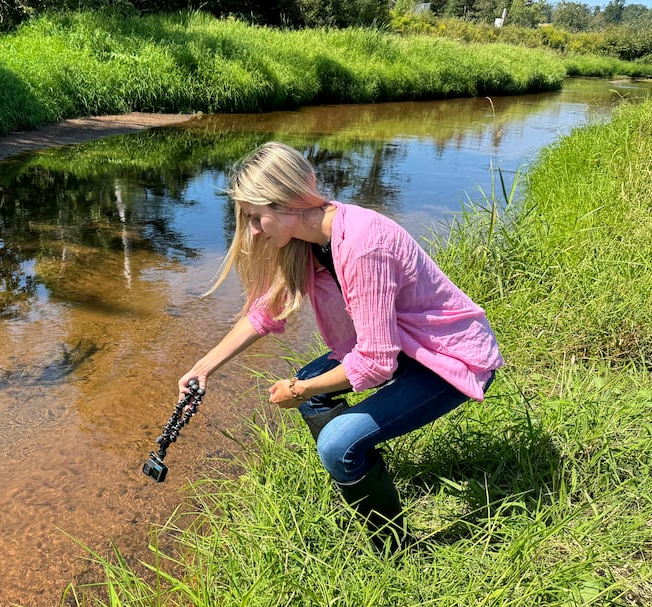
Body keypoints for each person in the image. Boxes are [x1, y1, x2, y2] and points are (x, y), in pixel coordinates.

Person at [178, 142, 503, 552]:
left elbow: (376, 363)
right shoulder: (307, 239)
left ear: (287, 202)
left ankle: (395, 549)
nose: (255, 231)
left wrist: (298, 392)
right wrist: (203, 368)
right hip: (404, 345)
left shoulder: (361, 243)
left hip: (448, 358)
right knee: (318, 391)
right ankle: (360, 473)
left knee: (333, 440)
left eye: (256, 218)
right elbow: (266, 311)